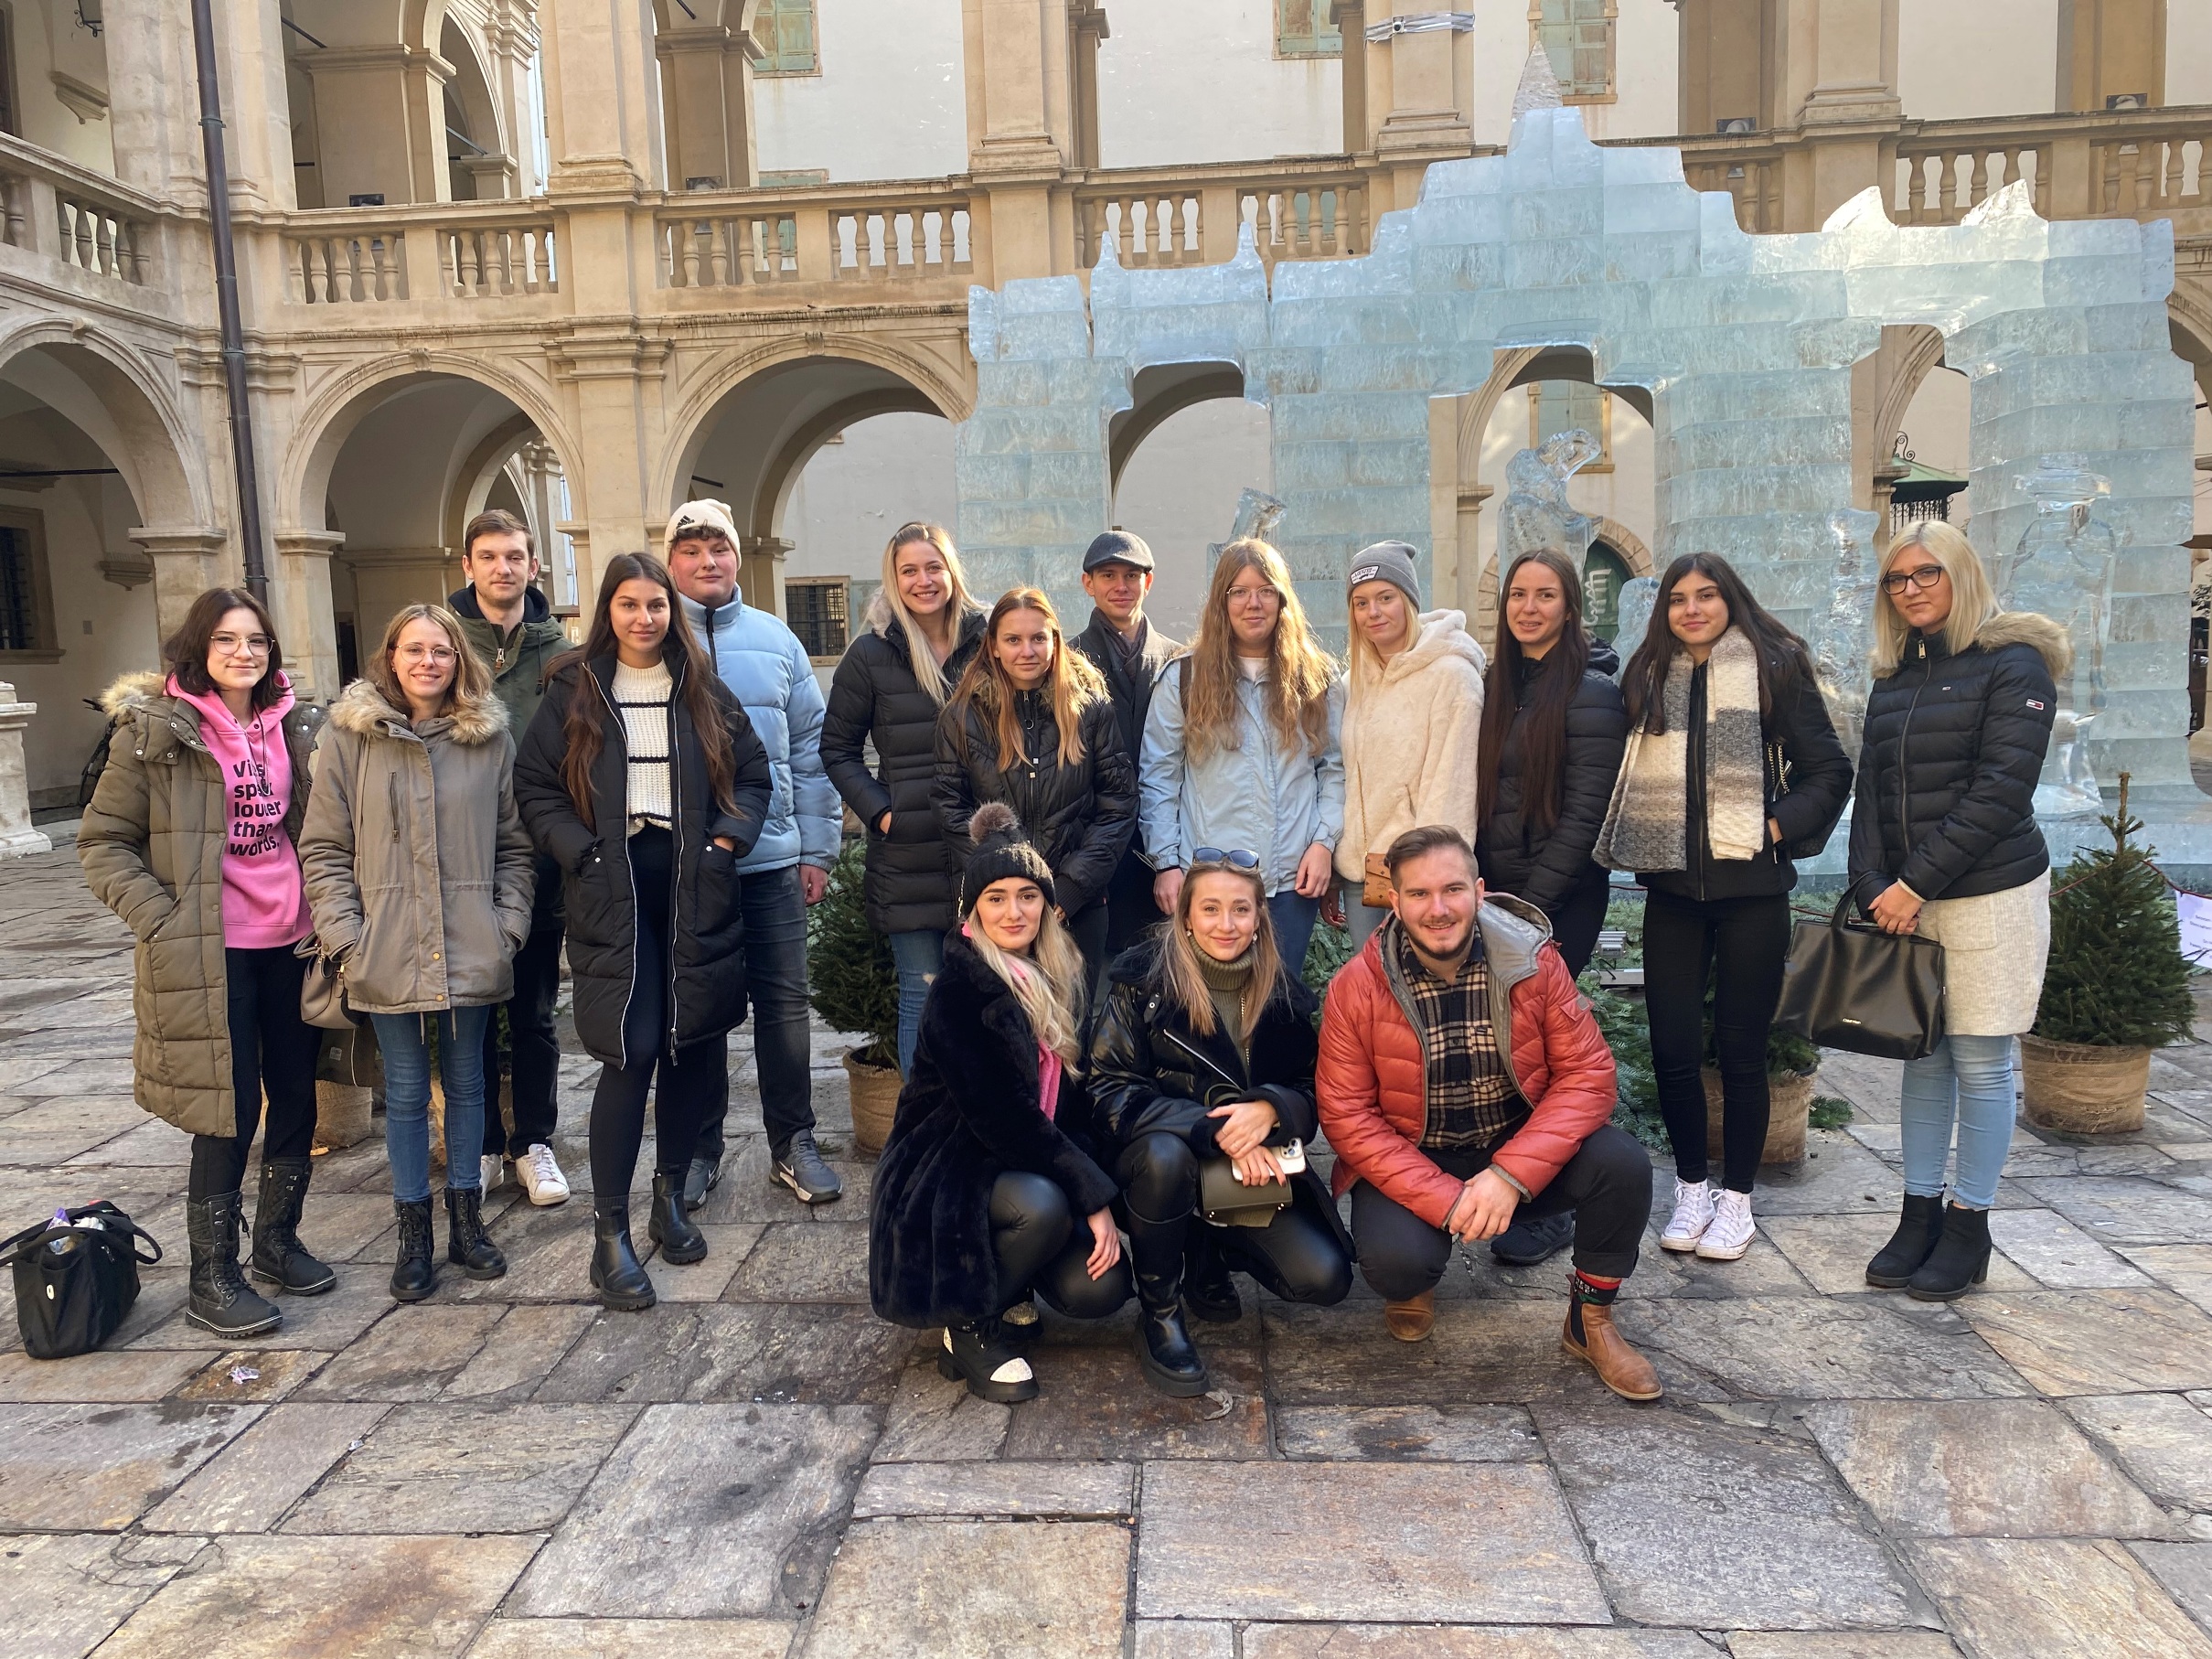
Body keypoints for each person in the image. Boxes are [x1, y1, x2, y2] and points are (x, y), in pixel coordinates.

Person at [1317, 826, 1660, 1398]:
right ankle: (1414, 1282)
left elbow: (1589, 1076)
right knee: (1395, 1262)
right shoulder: (1356, 987)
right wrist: (1445, 1199)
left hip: (1515, 1148)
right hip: (1417, 1154)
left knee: (1622, 1164)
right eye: (1419, 894)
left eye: (1452, 889)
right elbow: (1348, 1118)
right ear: (1394, 902)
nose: (1439, 909)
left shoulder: (1533, 963)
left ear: (1478, 891)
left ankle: (1590, 1322)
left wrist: (1509, 1175)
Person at [514, 552, 771, 1311]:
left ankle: (668, 1200)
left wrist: (728, 841)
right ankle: (609, 1236)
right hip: (609, 885)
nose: (644, 618)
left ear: (672, 611)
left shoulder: (701, 687)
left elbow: (753, 775)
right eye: (629, 605)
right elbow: (533, 786)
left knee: (689, 1038)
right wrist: (579, 849)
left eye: (656, 605)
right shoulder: (574, 687)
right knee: (632, 1048)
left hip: (695, 884)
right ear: (609, 610)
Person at [80, 589, 333, 1337]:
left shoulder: (297, 723)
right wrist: (162, 920)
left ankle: (277, 1244)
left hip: (292, 939)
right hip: (208, 950)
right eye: (226, 640)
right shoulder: (154, 732)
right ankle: (210, 1277)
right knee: (225, 1109)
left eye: (255, 641)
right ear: (199, 648)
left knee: (296, 1095)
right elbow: (102, 843)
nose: (243, 654)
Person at [1596, 553, 1852, 1265]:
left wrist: (1771, 825)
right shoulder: (1647, 676)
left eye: (1706, 596)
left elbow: (1828, 770)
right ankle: (1689, 1188)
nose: (1692, 609)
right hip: (1672, 894)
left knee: (1741, 1054)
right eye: (1678, 599)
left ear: (1730, 601)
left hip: (1752, 896)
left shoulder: (1774, 670)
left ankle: (1735, 1199)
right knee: (1673, 1051)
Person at [1850, 520, 2066, 1300]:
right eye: (1896, 578)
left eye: (1925, 573)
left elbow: (2000, 790)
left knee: (1978, 1061)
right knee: (1922, 1056)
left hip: (1989, 894)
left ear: (1961, 575)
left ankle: (1968, 1225)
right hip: (1906, 899)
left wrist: (1914, 885)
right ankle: (1915, 1214)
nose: (1909, 588)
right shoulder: (1893, 677)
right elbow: (1868, 792)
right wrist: (1872, 882)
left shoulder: (2014, 664)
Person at [299, 605, 536, 1301]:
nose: (428, 662)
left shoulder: (487, 741)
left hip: (469, 942)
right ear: (391, 657)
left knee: (467, 1086)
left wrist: (507, 927)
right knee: (403, 1094)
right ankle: (413, 1234)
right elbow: (323, 849)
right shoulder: (351, 739)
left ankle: (467, 1223)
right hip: (385, 944)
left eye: (441, 651)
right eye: (414, 650)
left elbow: (515, 847)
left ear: (460, 660)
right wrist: (347, 937)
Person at [869, 804, 1131, 1402]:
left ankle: (1011, 1287)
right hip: (942, 1175)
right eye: (995, 898)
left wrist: (1120, 1172)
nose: (1014, 912)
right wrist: (1091, 1196)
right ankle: (966, 1326)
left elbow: (1066, 1101)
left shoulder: (1047, 972)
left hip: (1004, 1161)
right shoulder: (965, 988)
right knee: (1041, 1207)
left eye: (1027, 896)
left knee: (1100, 1289)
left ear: (1046, 903)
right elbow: (1005, 1117)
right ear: (973, 909)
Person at [1088, 849, 1353, 1396]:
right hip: (1154, 1166)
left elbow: (1314, 1089)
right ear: (1185, 915)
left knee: (1323, 1279)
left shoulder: (1281, 994)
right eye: (1210, 909)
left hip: (1249, 1173)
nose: (1226, 925)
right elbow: (1108, 1087)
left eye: (1240, 910)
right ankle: (1159, 1311)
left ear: (1260, 918)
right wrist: (1211, 1129)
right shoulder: (1141, 982)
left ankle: (1208, 1250)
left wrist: (1272, 1109)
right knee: (1167, 1159)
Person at [663, 498, 843, 1212]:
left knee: (783, 1009)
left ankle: (792, 1143)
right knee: (697, 1013)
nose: (708, 562)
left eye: (719, 549)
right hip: (684, 868)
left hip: (770, 861)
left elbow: (810, 748)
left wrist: (818, 848)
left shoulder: (777, 640)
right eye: (692, 550)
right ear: (671, 559)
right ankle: (699, 1150)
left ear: (736, 557)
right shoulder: (649, 640)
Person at [1473, 549, 1630, 1271]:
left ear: (1569, 607)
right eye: (1517, 595)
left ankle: (1558, 1203)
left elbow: (1584, 817)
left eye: (1545, 595)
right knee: (1509, 1047)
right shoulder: (1498, 684)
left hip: (1556, 902)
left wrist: (1527, 909)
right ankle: (1516, 1185)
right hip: (1498, 896)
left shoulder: (1591, 690)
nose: (1528, 607)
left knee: (1552, 1053)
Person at [821, 522, 989, 1077]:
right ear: (894, 581)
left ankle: (985, 1125)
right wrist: (881, 810)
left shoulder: (988, 641)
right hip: (908, 852)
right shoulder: (871, 655)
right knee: (923, 995)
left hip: (983, 849)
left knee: (990, 997)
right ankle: (923, 1128)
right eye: (909, 571)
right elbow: (837, 747)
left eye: (932, 567)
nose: (923, 581)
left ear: (951, 570)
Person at [1141, 539, 1343, 972]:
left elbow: (1334, 769)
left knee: (1277, 1013)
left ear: (1282, 599)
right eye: (1239, 592)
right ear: (1222, 601)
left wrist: (1324, 844)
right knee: (1213, 1017)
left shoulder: (1315, 678)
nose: (1253, 603)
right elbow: (1158, 778)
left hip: (1293, 883)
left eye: (1265, 590)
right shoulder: (1185, 678)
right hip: (1215, 885)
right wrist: (1166, 863)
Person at [448, 508, 572, 1207]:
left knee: (532, 1012)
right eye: (489, 556)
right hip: (458, 863)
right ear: (467, 565)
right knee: (466, 1014)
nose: (503, 568)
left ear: (533, 566)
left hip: (539, 862)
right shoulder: (437, 642)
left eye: (515, 556)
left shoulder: (560, 654)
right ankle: (484, 1145)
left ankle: (533, 1142)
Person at [934, 587, 1136, 988]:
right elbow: (948, 804)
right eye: (1013, 639)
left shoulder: (1089, 709)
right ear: (992, 646)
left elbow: (1118, 804)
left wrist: (1069, 888)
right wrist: (1006, 881)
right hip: (998, 910)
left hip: (1076, 906)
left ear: (1055, 641)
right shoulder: (962, 716)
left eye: (1038, 638)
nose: (1027, 650)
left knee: (1071, 1034)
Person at [1331, 541, 1486, 947]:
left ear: (1409, 601)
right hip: (1362, 877)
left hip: (1421, 879)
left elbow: (1451, 787)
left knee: (1422, 994)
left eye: (1386, 598)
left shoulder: (1452, 676)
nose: (1374, 612)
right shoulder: (1353, 685)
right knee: (1378, 993)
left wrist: (1432, 879)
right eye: (1361, 603)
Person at [1070, 530, 1181, 965]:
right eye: (1108, 575)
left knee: (1163, 977)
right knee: (1094, 980)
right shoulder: (1068, 660)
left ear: (1148, 583)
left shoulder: (1177, 659)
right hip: (1093, 842)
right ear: (1088, 583)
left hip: (1163, 845)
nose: (1121, 586)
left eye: (1131, 575)